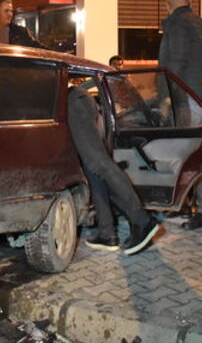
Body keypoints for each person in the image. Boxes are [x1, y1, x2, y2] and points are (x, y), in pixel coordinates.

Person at [67, 84, 161, 254]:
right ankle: (107, 234)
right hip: (72, 101)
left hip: (71, 101)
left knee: (98, 163)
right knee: (93, 171)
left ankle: (142, 221)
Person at [158, 0, 202, 230]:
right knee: (189, 151)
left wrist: (167, 97)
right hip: (199, 95)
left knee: (189, 153)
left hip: (184, 97)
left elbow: (175, 63)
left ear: (169, 4)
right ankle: (183, 204)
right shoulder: (200, 25)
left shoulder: (178, 24)